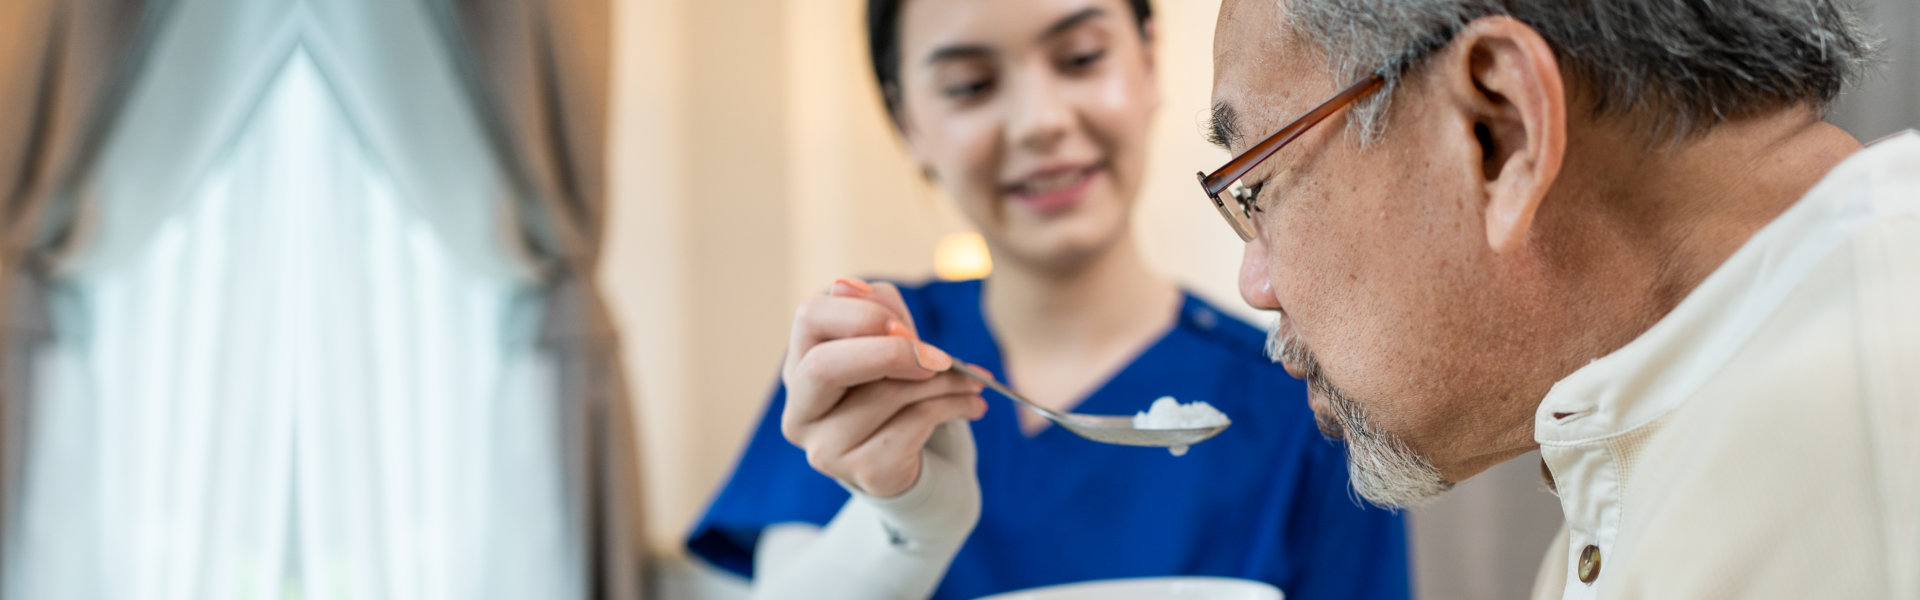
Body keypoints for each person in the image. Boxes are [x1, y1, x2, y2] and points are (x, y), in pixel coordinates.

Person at [686, 1, 1410, 598]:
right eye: (970, 85)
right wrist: (906, 521)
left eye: (1080, 58)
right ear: (909, 125)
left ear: (1149, 62)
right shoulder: (873, 359)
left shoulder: (1307, 399)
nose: (1040, 121)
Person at [1202, 0, 1917, 597]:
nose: (1254, 286)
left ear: (1500, 129)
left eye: (1256, 190)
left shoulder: (1871, 422)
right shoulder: (1643, 464)